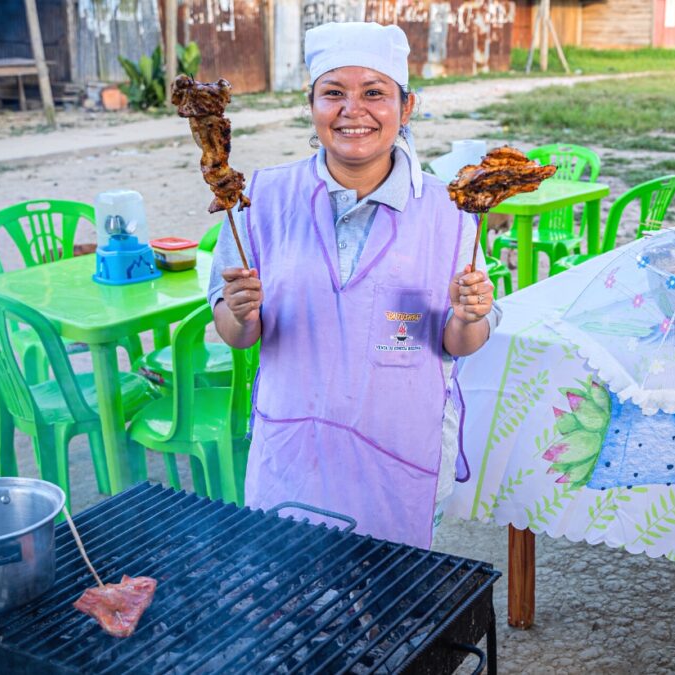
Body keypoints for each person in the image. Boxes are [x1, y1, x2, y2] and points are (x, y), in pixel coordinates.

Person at [207, 21, 501, 548]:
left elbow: (459, 345)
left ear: (406, 108)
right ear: (311, 104)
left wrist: (469, 316)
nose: (353, 111)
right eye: (334, 93)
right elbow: (236, 333)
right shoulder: (259, 200)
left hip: (398, 448)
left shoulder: (449, 211)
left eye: (374, 93)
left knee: (392, 600)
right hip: (296, 445)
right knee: (287, 592)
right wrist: (240, 311)